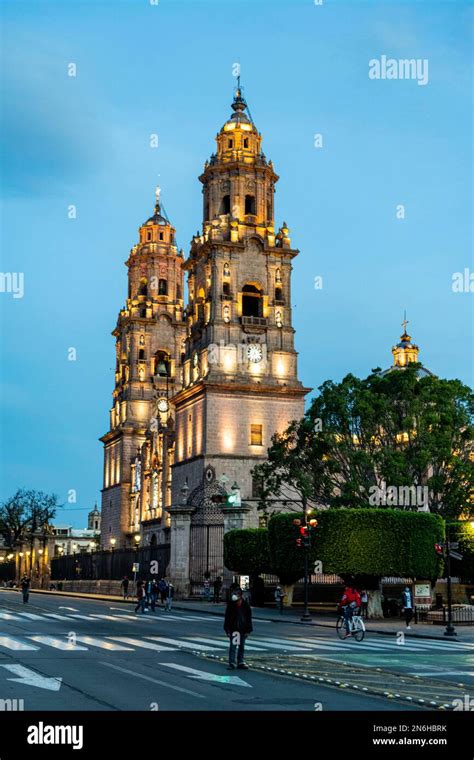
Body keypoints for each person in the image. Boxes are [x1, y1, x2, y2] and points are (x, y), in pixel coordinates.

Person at [224, 587, 253, 670]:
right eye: (233, 593)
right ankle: (232, 662)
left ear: (240, 595)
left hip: (242, 629)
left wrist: (248, 630)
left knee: (241, 646)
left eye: (235, 594)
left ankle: (240, 662)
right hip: (233, 628)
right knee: (233, 646)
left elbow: (248, 618)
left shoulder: (245, 605)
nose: (233, 595)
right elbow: (227, 617)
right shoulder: (231, 604)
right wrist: (227, 629)